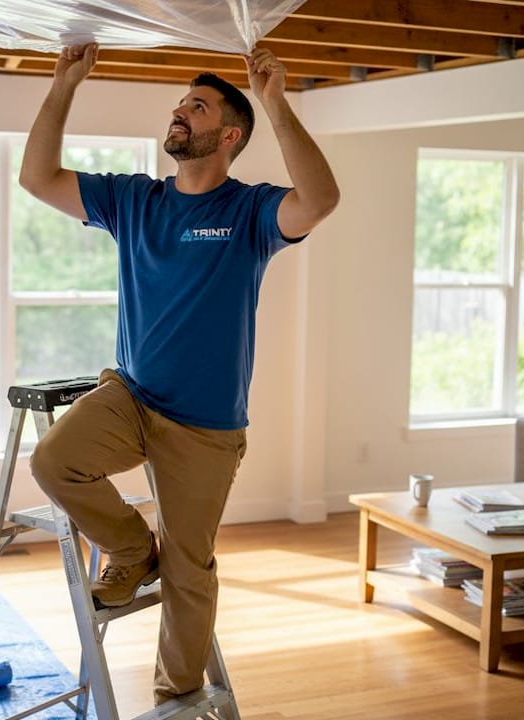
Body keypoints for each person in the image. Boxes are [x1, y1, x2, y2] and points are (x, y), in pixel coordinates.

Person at [20, 42, 338, 706]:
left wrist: (276, 101)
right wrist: (62, 85)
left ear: (228, 136)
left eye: (196, 106)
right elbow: (37, 177)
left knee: (191, 573)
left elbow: (321, 198)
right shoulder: (134, 200)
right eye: (179, 104)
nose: (179, 113)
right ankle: (134, 550)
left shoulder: (249, 213)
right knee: (54, 462)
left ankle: (176, 701)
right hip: (131, 394)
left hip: (206, 426)